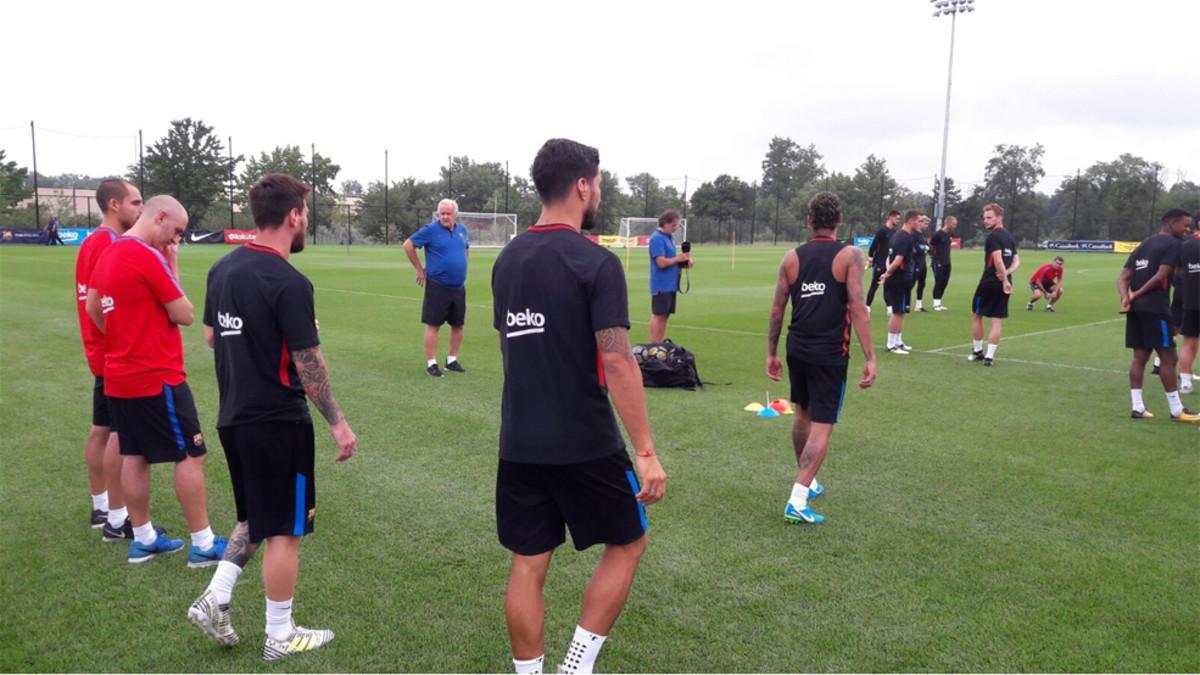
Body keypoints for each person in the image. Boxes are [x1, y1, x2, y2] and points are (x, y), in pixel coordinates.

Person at [491, 139, 665, 675]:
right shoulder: (597, 262)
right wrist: (645, 451)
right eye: (600, 185)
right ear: (583, 186)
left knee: (528, 563)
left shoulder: (507, 259)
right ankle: (576, 666)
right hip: (586, 441)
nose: (599, 195)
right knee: (629, 542)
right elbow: (617, 361)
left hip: (519, 441)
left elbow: (507, 346)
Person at [188, 173, 358, 661]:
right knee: (287, 529)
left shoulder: (222, 270)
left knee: (256, 516)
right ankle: (280, 636)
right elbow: (309, 365)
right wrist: (338, 423)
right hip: (279, 421)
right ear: (294, 216)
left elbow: (211, 337)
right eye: (305, 213)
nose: (306, 221)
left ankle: (215, 598)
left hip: (234, 416)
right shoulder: (288, 280)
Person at [86, 195, 227, 565]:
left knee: (134, 454)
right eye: (175, 231)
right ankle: (203, 544)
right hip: (157, 375)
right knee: (192, 454)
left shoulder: (110, 252)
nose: (174, 240)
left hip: (118, 375)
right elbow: (184, 313)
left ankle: (144, 538)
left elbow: (92, 306)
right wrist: (169, 262)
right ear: (160, 216)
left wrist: (120, 340)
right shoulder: (145, 255)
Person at [766, 192, 876, 525]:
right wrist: (871, 356)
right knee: (823, 423)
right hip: (830, 352)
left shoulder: (791, 258)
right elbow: (858, 307)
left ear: (809, 220)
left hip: (796, 346)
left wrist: (771, 352)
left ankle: (808, 481)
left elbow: (776, 308)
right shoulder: (850, 255)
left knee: (803, 414)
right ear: (839, 220)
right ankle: (798, 497)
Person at [74, 179, 143, 538]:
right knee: (117, 434)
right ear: (114, 205)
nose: (140, 209)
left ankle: (101, 506)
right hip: (113, 352)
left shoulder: (92, 241)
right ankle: (117, 517)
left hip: (99, 350)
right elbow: (101, 300)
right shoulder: (109, 244)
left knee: (101, 429)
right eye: (135, 202)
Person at [1118, 209, 1199, 422]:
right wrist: (1136, 294)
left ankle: (1137, 407)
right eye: (1185, 225)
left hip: (1136, 310)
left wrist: (1125, 298)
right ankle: (1176, 410)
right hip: (1156, 309)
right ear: (1171, 224)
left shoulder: (1144, 244)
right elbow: (1161, 275)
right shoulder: (1174, 244)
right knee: (1169, 357)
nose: (1188, 229)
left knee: (1140, 357)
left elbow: (1123, 276)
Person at [404, 199, 471, 377]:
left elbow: (466, 249)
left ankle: (452, 360)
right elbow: (408, 245)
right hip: (437, 286)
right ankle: (431, 363)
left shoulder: (462, 231)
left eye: (448, 213)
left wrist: (463, 265)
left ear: (455, 214)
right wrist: (419, 269)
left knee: (458, 325)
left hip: (458, 286)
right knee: (434, 325)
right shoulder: (430, 230)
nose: (445, 217)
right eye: (442, 213)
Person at [968, 203, 1020, 366]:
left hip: (990, 282)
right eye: (984, 218)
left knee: (977, 315)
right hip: (1005, 283)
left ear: (999, 217)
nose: (986, 221)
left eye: (989, 217)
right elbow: (1017, 260)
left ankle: (978, 352)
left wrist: (1003, 278)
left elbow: (997, 259)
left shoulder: (993, 237)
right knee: (997, 320)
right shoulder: (1009, 237)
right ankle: (989, 357)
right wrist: (1008, 275)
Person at [878, 210, 922, 354]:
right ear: (911, 221)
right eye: (919, 220)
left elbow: (887, 258)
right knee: (897, 312)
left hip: (900, 279)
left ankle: (898, 341)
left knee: (901, 311)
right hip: (900, 279)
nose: (920, 224)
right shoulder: (904, 237)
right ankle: (891, 345)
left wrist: (887, 272)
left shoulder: (897, 235)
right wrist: (887, 273)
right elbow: (897, 260)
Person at [647, 209, 692, 342]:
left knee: (665, 316)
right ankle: (654, 347)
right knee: (658, 315)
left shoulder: (669, 238)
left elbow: (672, 261)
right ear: (665, 223)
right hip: (661, 284)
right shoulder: (657, 238)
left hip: (671, 284)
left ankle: (659, 345)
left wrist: (684, 262)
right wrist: (678, 259)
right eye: (673, 225)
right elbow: (661, 263)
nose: (676, 228)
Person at [1178, 214, 1199, 395]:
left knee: (1189, 341)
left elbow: (1178, 271)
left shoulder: (1185, 245)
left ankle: (1185, 383)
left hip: (1191, 299)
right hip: (1191, 299)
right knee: (1190, 342)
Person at [865, 210, 900, 313]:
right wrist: (871, 258)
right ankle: (867, 307)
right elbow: (873, 247)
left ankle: (889, 309)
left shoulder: (894, 232)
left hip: (889, 265)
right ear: (890, 217)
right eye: (897, 218)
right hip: (879, 263)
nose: (898, 221)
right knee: (874, 286)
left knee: (888, 287)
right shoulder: (881, 231)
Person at [929, 215, 957, 311]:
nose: (955, 226)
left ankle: (939, 302)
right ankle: (935, 304)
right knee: (939, 281)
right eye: (954, 224)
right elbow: (931, 246)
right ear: (948, 223)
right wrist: (933, 257)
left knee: (945, 282)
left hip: (947, 262)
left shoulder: (949, 234)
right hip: (938, 262)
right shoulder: (938, 234)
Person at [912, 215, 931, 312]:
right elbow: (916, 249)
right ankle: (904, 304)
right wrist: (924, 248)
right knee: (910, 284)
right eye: (925, 223)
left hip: (922, 262)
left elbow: (927, 247)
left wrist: (925, 248)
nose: (926, 225)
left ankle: (918, 305)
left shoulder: (922, 234)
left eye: (928, 224)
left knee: (922, 283)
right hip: (915, 262)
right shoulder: (913, 234)